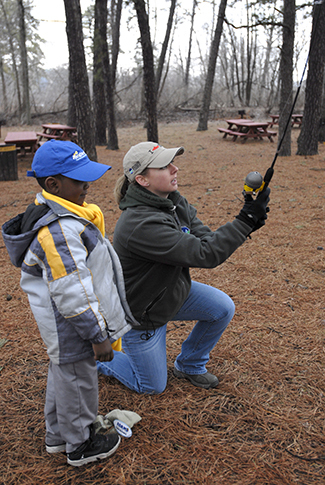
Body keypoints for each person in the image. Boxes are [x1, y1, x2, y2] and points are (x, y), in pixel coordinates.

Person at [1, 139, 139, 467]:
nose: (87, 185)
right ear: (53, 184)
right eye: (79, 180)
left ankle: (57, 436)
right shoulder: (59, 231)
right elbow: (71, 291)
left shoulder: (60, 216)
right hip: (72, 325)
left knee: (64, 376)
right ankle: (80, 445)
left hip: (65, 323)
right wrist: (97, 334)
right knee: (79, 379)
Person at [97, 141, 271, 394]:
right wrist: (245, 220)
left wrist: (248, 220)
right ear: (142, 179)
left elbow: (206, 239)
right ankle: (93, 359)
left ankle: (190, 364)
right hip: (143, 315)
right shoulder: (140, 224)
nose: (175, 169)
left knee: (222, 308)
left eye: (172, 163)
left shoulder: (173, 202)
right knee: (151, 386)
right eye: (164, 167)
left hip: (170, 293)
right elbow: (206, 254)